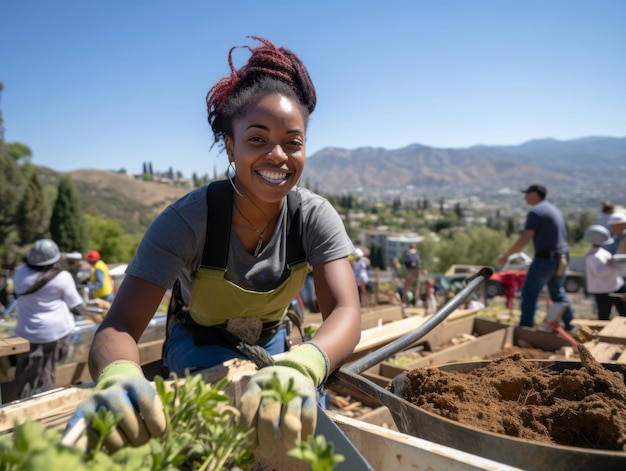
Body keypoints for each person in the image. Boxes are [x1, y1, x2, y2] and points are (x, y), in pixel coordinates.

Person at [68, 37, 361, 457]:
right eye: (257, 139)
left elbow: (346, 311)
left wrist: (305, 366)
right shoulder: (188, 222)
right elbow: (118, 326)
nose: (278, 156)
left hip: (274, 341)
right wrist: (118, 375)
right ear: (230, 145)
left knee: (299, 429)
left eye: (293, 142)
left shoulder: (313, 216)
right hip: (198, 343)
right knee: (203, 443)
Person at [13, 239, 86, 399]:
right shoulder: (62, 277)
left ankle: (23, 401)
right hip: (55, 334)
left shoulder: (19, 274)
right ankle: (45, 402)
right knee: (47, 372)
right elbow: (77, 307)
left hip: (26, 333)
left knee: (27, 374)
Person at [497, 184, 574, 330]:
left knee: (529, 294)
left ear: (535, 194)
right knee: (557, 293)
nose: (525, 197)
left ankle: (525, 328)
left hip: (546, 260)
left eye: (527, 193)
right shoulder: (553, 209)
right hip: (562, 258)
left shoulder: (536, 212)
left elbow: (526, 237)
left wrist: (506, 256)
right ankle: (571, 325)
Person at [583, 225, 626, 320]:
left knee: (623, 312)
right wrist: (613, 266)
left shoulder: (602, 252)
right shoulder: (592, 257)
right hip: (603, 291)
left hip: (614, 286)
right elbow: (599, 273)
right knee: (604, 315)